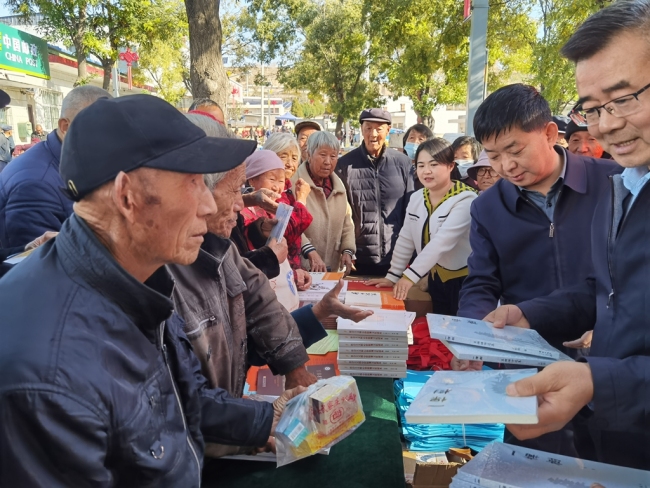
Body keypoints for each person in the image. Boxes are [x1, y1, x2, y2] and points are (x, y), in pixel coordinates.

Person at [0, 95, 303, 485]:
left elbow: (179, 398)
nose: (210, 205)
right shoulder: (47, 370)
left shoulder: (140, 281)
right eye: (193, 183)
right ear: (127, 195)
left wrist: (265, 419)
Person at [490, 0, 650, 470]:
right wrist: (527, 312)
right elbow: (608, 293)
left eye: (623, 99)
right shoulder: (622, 184)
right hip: (620, 443)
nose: (606, 124)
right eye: (593, 108)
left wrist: (599, 382)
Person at [454, 83, 620, 458]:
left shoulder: (612, 182)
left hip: (610, 356)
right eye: (493, 156)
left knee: (612, 463)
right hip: (530, 363)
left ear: (549, 133)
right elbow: (481, 280)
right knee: (536, 463)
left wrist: (612, 323)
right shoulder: (487, 208)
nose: (506, 166)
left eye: (514, 150)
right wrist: (472, 335)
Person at [367, 138, 477, 314]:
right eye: (421, 165)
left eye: (434, 164)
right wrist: (393, 276)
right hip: (435, 278)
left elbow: (441, 242)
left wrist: (410, 277)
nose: (427, 171)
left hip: (464, 281)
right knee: (438, 330)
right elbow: (406, 238)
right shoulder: (417, 197)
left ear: (450, 166)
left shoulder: (466, 199)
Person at [0, 86, 111, 248]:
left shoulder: (76, 162)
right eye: (99, 128)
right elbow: (37, 263)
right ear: (65, 127)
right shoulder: (36, 182)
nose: (110, 138)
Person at [335, 108, 414, 276]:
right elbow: (341, 214)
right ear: (361, 129)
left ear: (388, 129)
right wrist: (346, 249)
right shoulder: (344, 165)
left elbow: (411, 210)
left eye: (379, 128)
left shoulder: (403, 163)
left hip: (397, 258)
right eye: (368, 128)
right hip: (359, 259)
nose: (373, 134)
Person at [241, 150, 313, 279]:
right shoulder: (245, 211)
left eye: (281, 181)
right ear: (252, 179)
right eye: (272, 179)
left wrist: (297, 273)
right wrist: (301, 200)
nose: (276, 187)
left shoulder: (282, 202)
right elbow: (289, 232)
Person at [292, 130, 355, 274]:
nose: (328, 161)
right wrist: (309, 251)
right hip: (302, 269)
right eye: (322, 155)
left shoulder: (338, 186)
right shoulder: (295, 184)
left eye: (333, 156)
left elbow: (347, 222)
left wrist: (347, 249)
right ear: (309, 154)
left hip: (331, 269)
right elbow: (290, 225)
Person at [403, 124, 435, 190]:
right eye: (411, 138)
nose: (415, 142)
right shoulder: (398, 165)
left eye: (421, 139)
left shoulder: (432, 169)